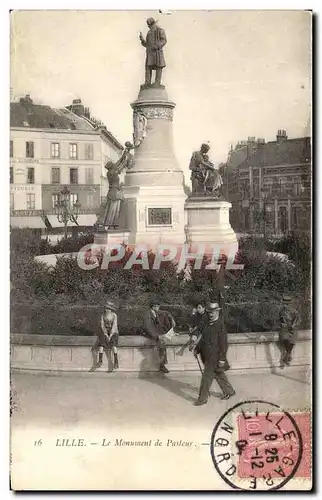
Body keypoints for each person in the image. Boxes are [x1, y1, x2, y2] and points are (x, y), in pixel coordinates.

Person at [194, 301, 235, 406]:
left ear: (217, 312)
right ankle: (229, 391)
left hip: (215, 357)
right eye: (209, 312)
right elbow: (203, 339)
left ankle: (202, 399)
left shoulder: (220, 325)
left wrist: (222, 359)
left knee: (206, 378)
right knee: (218, 373)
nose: (210, 314)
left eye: (212, 312)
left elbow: (223, 344)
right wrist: (197, 349)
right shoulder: (207, 324)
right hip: (207, 356)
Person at [142, 298, 170, 373]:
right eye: (157, 306)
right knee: (162, 343)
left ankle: (162, 363)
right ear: (153, 306)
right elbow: (148, 328)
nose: (158, 308)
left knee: (163, 340)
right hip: (148, 333)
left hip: (156, 332)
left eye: (158, 306)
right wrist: (157, 336)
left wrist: (167, 332)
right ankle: (162, 365)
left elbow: (160, 325)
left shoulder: (156, 313)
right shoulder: (147, 314)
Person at [91, 300, 119, 371]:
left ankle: (116, 361)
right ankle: (100, 361)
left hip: (114, 331)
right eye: (106, 308)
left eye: (108, 309)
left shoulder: (114, 315)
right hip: (105, 332)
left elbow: (114, 325)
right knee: (101, 344)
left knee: (114, 345)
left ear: (111, 309)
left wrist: (111, 335)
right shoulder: (103, 315)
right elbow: (102, 326)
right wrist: (106, 334)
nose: (107, 310)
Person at [139, 18, 167, 86]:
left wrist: (157, 46)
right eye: (148, 26)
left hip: (157, 53)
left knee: (158, 67)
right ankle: (147, 82)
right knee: (148, 67)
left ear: (153, 24)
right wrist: (142, 40)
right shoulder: (149, 33)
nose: (149, 27)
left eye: (149, 25)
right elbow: (147, 45)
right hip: (150, 54)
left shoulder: (160, 30)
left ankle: (157, 83)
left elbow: (164, 40)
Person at [278, 295, 300, 367]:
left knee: (292, 341)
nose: (285, 305)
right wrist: (283, 324)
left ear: (289, 304)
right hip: (285, 328)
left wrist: (293, 325)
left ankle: (286, 357)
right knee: (285, 339)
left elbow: (298, 320)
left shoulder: (294, 311)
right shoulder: (281, 311)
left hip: (293, 328)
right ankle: (288, 355)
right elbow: (280, 320)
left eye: (287, 304)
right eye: (284, 304)